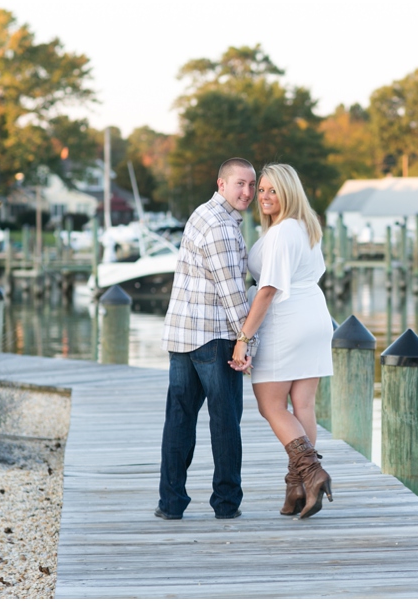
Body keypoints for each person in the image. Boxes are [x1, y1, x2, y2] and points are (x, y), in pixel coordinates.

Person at [155, 157, 257, 521]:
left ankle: (171, 503)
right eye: (239, 184)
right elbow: (232, 293)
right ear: (221, 184)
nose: (247, 192)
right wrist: (247, 343)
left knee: (179, 420)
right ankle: (226, 504)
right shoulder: (223, 229)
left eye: (251, 185)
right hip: (214, 338)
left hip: (182, 336)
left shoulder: (201, 214)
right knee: (225, 421)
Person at [230, 163, 334, 519]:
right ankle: (299, 487)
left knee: (271, 406)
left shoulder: (280, 234)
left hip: (288, 320)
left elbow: (270, 289)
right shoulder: (306, 228)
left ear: (289, 192)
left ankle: (313, 472)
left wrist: (243, 337)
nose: (264, 197)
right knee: (303, 405)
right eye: (261, 190)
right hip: (316, 317)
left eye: (273, 190)